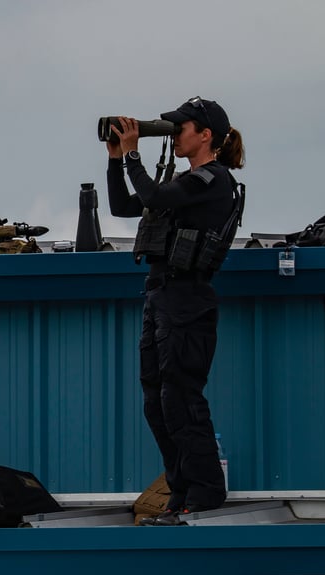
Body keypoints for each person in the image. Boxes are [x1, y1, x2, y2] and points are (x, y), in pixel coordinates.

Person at [105, 96, 245, 526]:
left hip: (188, 300)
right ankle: (180, 491)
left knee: (180, 399)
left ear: (206, 135)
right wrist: (116, 160)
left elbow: (153, 192)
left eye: (181, 127)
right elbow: (124, 206)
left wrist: (132, 153)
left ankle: (204, 492)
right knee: (157, 402)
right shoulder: (185, 185)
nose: (175, 133)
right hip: (161, 297)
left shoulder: (213, 180)